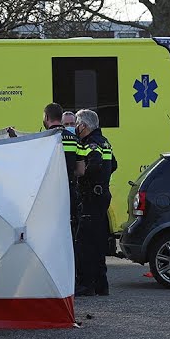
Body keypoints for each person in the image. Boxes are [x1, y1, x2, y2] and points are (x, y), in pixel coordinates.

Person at [74, 108, 116, 297]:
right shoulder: (104, 142)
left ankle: (85, 286)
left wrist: (82, 177)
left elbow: (95, 164)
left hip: (91, 197)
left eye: (76, 122)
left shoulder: (89, 144)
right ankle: (101, 285)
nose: (75, 126)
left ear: (84, 125)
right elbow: (113, 164)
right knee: (98, 242)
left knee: (85, 243)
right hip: (102, 195)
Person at [43, 102, 87, 238]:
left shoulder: (43, 139)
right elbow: (81, 171)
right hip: (69, 191)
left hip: (49, 194)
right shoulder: (75, 140)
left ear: (46, 117)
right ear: (60, 118)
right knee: (70, 230)